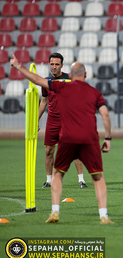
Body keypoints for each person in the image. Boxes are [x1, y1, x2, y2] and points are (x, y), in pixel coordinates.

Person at [10, 53, 114, 224]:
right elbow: (105, 114)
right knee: (98, 178)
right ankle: (103, 215)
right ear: (86, 75)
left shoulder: (61, 87)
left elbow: (36, 80)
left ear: (70, 75)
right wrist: (108, 138)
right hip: (89, 138)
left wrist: (17, 66)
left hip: (68, 136)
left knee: (58, 175)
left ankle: (55, 212)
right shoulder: (94, 92)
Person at [38, 53, 87, 189]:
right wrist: (36, 120)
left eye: (57, 64)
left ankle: (81, 180)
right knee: (49, 151)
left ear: (62, 65)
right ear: (49, 64)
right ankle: (49, 181)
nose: (54, 67)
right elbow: (44, 101)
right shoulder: (46, 82)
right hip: (52, 120)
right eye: (52, 64)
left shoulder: (69, 79)